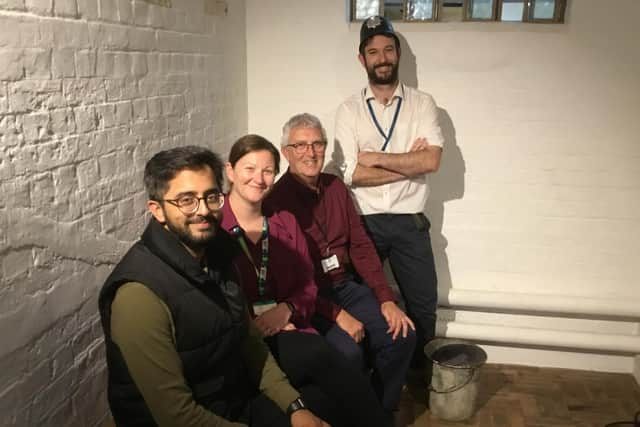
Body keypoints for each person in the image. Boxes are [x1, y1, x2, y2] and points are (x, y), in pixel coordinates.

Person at [98, 146, 329, 427]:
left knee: (320, 404)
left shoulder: (220, 251)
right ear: (157, 210)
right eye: (186, 200)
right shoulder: (138, 295)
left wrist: (296, 407)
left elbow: (249, 343)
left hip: (229, 400)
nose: (203, 210)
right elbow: (176, 416)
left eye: (210, 196)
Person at [220, 135, 391, 427]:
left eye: (268, 171)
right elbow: (210, 299)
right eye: (249, 169)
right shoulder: (213, 226)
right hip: (243, 342)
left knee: (332, 400)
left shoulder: (285, 222)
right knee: (323, 362)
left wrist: (286, 310)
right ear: (230, 171)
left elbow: (308, 287)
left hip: (291, 329)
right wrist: (258, 323)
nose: (259, 179)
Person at [266, 114, 416, 412]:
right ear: (286, 152)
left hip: (345, 286)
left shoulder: (335, 187)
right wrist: (337, 315)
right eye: (300, 145)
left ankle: (377, 413)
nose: (310, 152)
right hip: (310, 299)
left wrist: (385, 298)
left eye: (317, 144)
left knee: (402, 334)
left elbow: (360, 246)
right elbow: (290, 284)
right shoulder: (275, 202)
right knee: (346, 353)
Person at [332, 15, 445, 378]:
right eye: (373, 51)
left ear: (398, 55)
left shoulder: (422, 104)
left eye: (388, 50)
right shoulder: (349, 109)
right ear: (362, 59)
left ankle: (419, 378)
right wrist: (407, 165)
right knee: (365, 302)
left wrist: (376, 157)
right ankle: (368, 373)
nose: (382, 57)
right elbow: (350, 174)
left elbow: (431, 160)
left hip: (410, 223)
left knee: (423, 306)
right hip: (362, 224)